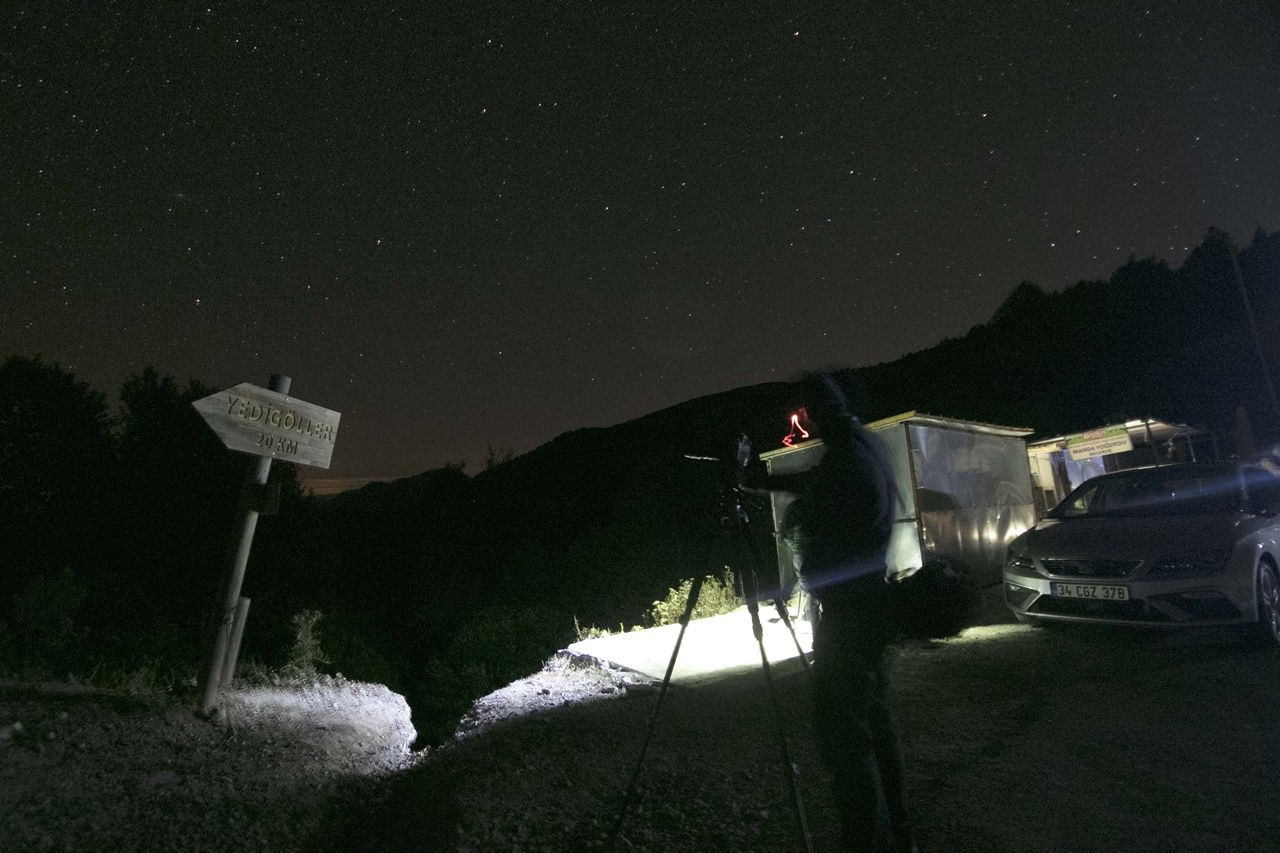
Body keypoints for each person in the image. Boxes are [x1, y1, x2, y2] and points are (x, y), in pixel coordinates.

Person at [742, 371, 915, 853]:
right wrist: (763, 482)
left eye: (805, 416)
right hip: (865, 610)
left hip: (849, 617)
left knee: (843, 736)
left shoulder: (848, 463)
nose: (802, 427)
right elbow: (814, 481)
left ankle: (864, 840)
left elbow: (820, 505)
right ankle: (898, 834)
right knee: (873, 725)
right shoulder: (858, 450)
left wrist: (798, 518)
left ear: (816, 414)